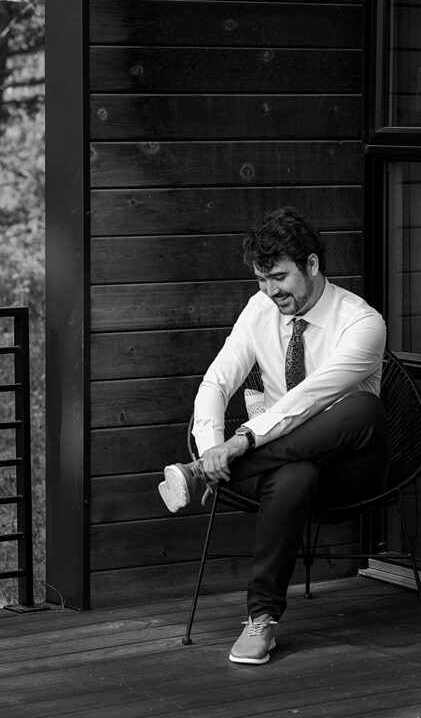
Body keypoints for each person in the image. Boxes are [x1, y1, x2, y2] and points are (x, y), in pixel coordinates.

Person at [158, 206, 389, 665]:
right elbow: (217, 380)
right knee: (294, 474)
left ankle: (201, 477)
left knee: (364, 407)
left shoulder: (363, 323)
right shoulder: (260, 308)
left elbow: (305, 401)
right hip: (284, 467)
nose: (270, 291)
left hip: (350, 469)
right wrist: (210, 452)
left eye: (278, 277)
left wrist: (240, 443)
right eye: (261, 279)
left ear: (312, 265)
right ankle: (261, 621)